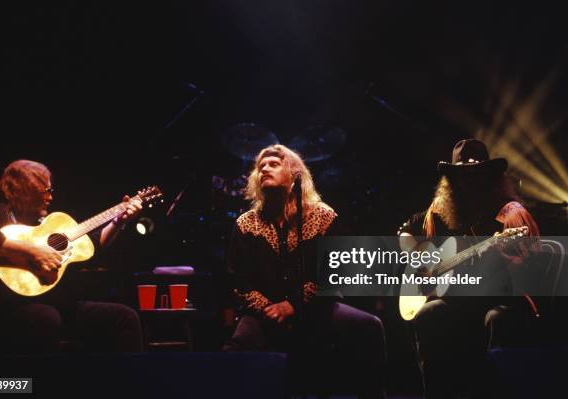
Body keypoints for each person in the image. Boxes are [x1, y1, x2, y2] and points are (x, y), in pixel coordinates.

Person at [223, 145, 386, 396]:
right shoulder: (246, 224)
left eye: (273, 164)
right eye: (260, 166)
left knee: (370, 327)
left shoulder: (323, 216)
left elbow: (338, 272)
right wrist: (270, 309)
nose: (264, 168)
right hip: (262, 312)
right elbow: (238, 281)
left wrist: (293, 306)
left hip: (316, 307)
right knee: (232, 354)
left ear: (294, 174)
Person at [398, 139, 540, 399]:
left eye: (477, 174)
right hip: (459, 302)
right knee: (429, 314)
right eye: (462, 175)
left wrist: (495, 257)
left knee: (496, 319)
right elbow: (406, 232)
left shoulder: (510, 214)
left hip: (500, 298)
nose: (470, 181)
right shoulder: (438, 212)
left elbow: (528, 269)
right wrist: (421, 260)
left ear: (490, 176)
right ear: (452, 180)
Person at [0, 159, 144, 354]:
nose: (50, 197)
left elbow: (91, 245)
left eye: (50, 191)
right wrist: (33, 251)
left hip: (57, 302)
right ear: (23, 192)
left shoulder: (52, 223)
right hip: (6, 306)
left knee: (125, 317)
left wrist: (118, 221)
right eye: (44, 191)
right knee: (46, 318)